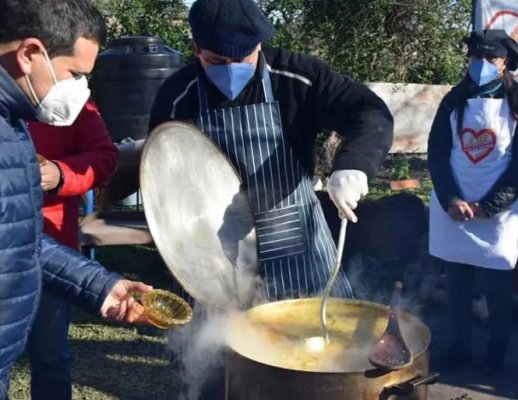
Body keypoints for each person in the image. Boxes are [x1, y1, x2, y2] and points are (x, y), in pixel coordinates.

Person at [149, 0, 393, 301]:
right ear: (195, 48)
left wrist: (355, 164)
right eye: (217, 61)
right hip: (211, 244)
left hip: (297, 240)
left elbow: (369, 112)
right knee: (216, 343)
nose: (231, 69)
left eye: (243, 58)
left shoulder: (298, 77)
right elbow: (161, 174)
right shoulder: (177, 96)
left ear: (259, 44)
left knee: (311, 339)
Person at [0, 1, 152, 397]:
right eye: (74, 74)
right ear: (30, 53)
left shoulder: (13, 122)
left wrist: (99, 285)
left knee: (51, 354)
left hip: (52, 239)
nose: (79, 88)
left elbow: (17, 244)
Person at [427, 29, 518, 373]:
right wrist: (452, 199)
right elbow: (438, 151)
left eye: (490, 59)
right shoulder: (453, 99)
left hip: (499, 211)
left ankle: (496, 353)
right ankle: (458, 349)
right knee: (457, 284)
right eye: (476, 58)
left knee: (497, 286)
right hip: (454, 206)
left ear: (505, 63)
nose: (482, 65)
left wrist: (487, 206)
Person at [25, 99, 118, 400]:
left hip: (53, 249)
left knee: (50, 354)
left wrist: (62, 174)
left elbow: (105, 157)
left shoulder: (69, 97)